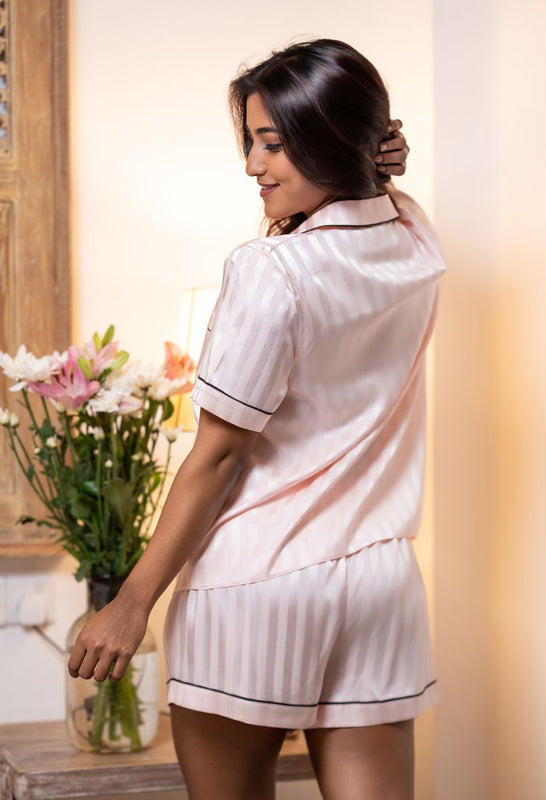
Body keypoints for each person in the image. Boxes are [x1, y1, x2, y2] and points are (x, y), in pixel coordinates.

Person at [68, 39, 445, 800]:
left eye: (272, 142)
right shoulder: (415, 243)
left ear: (328, 139)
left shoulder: (269, 270)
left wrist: (132, 601)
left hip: (256, 584)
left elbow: (218, 456)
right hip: (380, 584)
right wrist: (376, 156)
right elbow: (383, 188)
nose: (253, 165)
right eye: (251, 141)